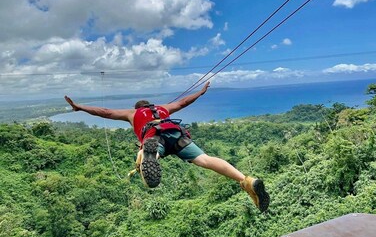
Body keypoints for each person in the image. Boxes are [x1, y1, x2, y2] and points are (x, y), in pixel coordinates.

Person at [64, 82, 269, 212]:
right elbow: (183, 102)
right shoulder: (163, 108)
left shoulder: (133, 114)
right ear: (151, 105)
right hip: (177, 133)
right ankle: (246, 180)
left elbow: (105, 112)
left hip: (154, 136)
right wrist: (201, 92)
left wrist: (80, 107)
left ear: (138, 108)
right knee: (205, 160)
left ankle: (147, 155)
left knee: (145, 153)